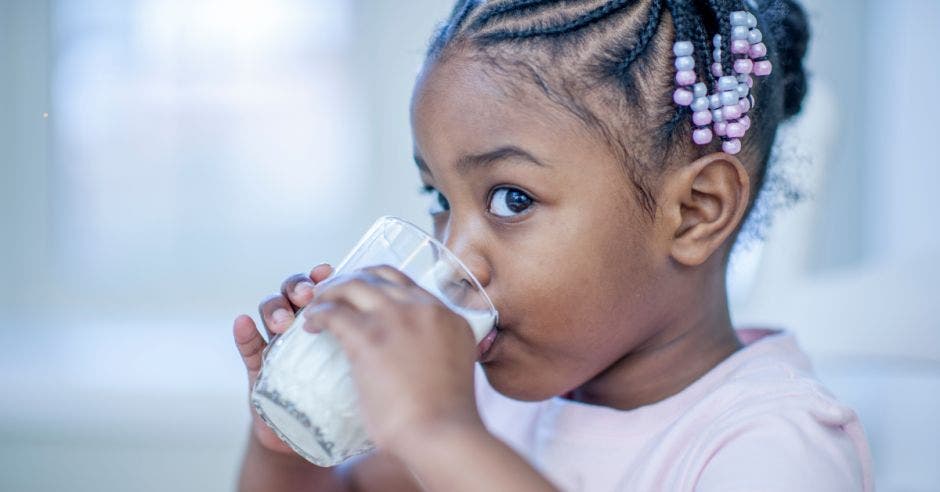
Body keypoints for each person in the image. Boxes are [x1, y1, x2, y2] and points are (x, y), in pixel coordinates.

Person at [232, 0, 873, 490]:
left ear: (694, 212)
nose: (458, 261)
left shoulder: (774, 446)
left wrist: (441, 433)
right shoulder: (489, 398)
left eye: (512, 199)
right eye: (439, 200)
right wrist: (287, 444)